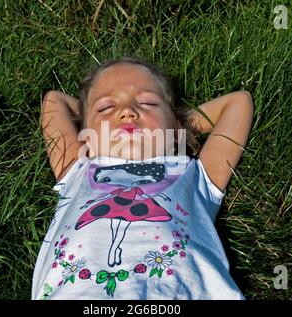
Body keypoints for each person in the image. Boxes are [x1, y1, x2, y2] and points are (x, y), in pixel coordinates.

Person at [33, 56, 254, 299]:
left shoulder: (195, 175)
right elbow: (54, 101)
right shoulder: (77, 169)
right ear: (85, 138)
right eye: (106, 107)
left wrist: (177, 125)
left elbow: (239, 102)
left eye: (148, 103)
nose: (127, 112)